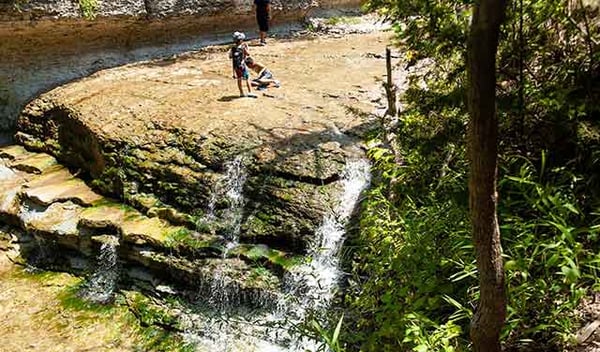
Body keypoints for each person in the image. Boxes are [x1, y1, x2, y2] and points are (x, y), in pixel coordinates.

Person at [229, 31, 254, 97]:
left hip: (236, 67)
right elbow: (248, 54)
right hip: (242, 65)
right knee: (247, 78)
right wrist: (247, 47)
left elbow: (230, 56)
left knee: (239, 79)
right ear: (240, 40)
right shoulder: (243, 47)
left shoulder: (233, 48)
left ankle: (241, 93)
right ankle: (250, 92)